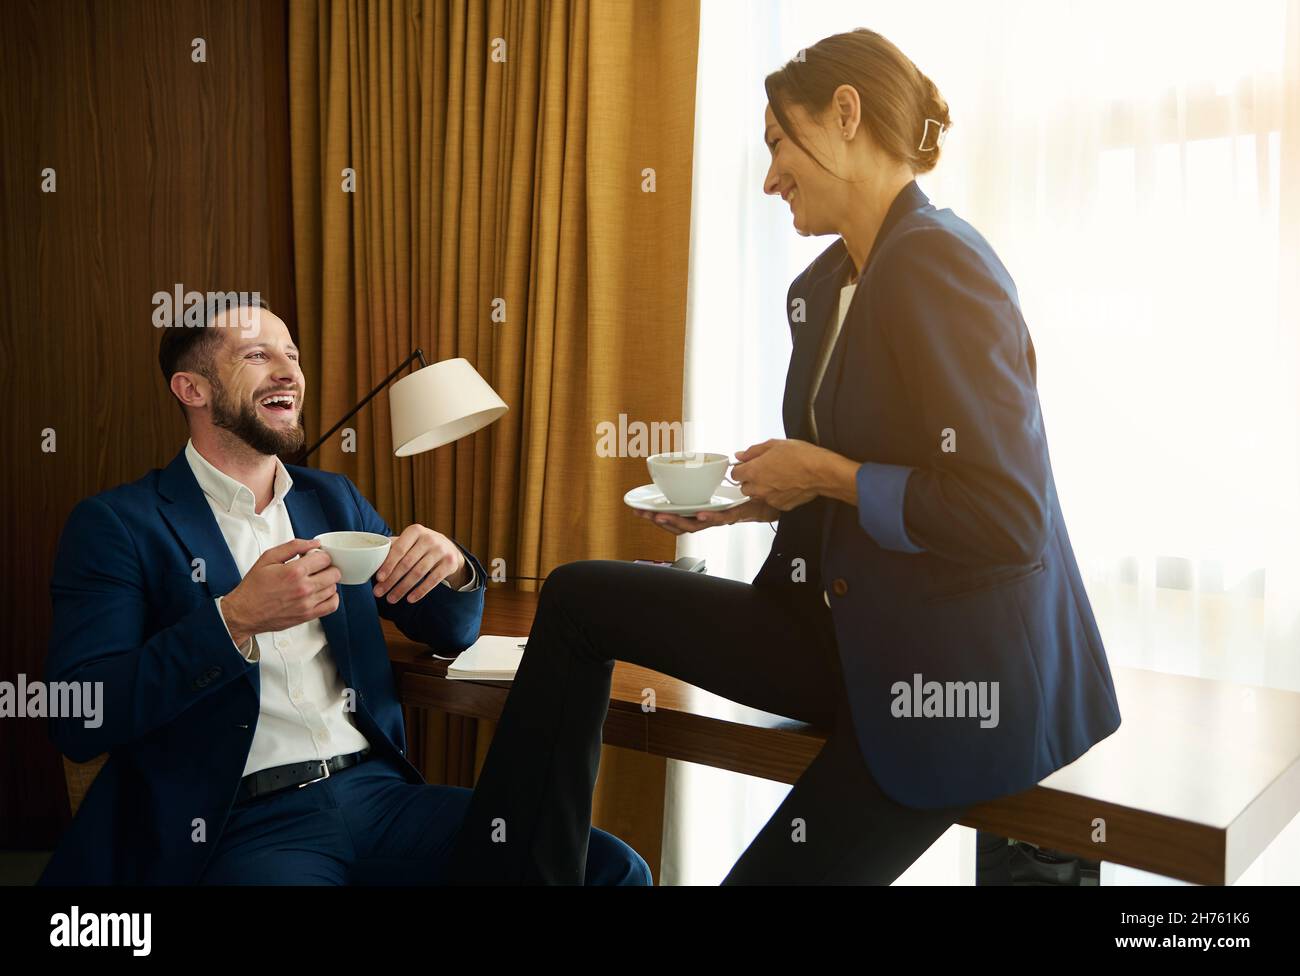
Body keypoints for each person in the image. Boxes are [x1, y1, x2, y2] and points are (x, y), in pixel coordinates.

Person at [444, 28, 1121, 884]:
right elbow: (857, 466)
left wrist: (825, 476)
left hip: (951, 682)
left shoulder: (942, 264)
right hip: (836, 629)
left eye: (777, 142)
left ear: (845, 114)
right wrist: (760, 497)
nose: (768, 178)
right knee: (576, 598)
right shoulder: (822, 287)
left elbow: (1006, 515)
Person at [39, 295, 650, 885]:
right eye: (256, 356)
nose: (289, 372)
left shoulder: (333, 498)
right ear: (192, 388)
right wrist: (234, 621)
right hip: (243, 821)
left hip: (378, 797)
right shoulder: (121, 524)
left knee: (613, 867)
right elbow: (80, 711)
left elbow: (451, 630)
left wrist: (455, 569)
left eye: (293, 354)